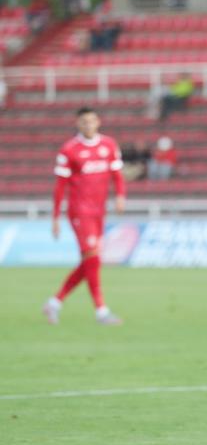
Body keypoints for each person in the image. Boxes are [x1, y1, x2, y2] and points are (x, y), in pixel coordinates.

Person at [43, 107, 125, 326]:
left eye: (91, 121)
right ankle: (101, 311)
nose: (88, 125)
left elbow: (117, 175)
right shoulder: (69, 150)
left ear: (98, 121)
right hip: (80, 212)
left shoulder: (109, 145)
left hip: (99, 211)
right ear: (77, 124)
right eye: (83, 122)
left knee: (90, 261)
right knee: (93, 258)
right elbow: (60, 187)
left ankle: (54, 302)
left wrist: (120, 196)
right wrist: (55, 217)